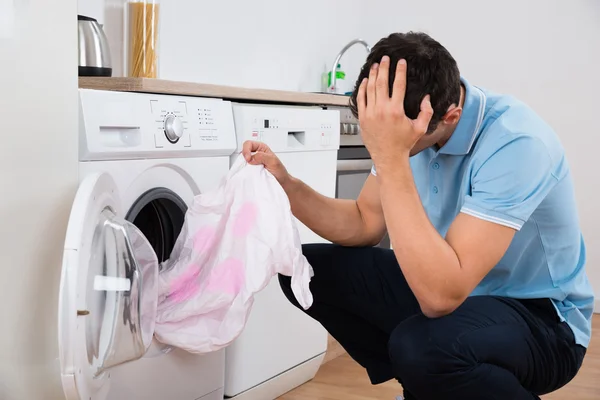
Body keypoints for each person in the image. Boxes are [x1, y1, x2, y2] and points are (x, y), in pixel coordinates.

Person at [242, 31, 594, 400]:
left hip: (544, 320)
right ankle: (432, 384)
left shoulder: (518, 143)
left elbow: (441, 297)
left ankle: (434, 373)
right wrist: (286, 183)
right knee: (304, 272)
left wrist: (391, 156)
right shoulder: (402, 125)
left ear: (449, 116)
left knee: (422, 347)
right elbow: (364, 222)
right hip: (456, 289)